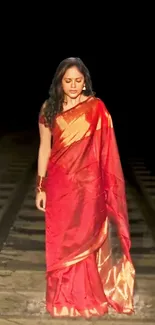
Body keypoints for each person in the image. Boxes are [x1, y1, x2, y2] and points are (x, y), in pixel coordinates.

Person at [35, 57, 135, 319]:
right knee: (61, 241)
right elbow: (45, 148)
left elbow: (105, 148)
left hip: (88, 186)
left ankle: (87, 297)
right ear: (59, 82)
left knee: (86, 238)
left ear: (85, 81)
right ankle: (61, 299)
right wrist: (40, 186)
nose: (73, 85)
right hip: (59, 185)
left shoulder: (96, 108)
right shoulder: (49, 109)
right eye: (68, 81)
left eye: (78, 81)